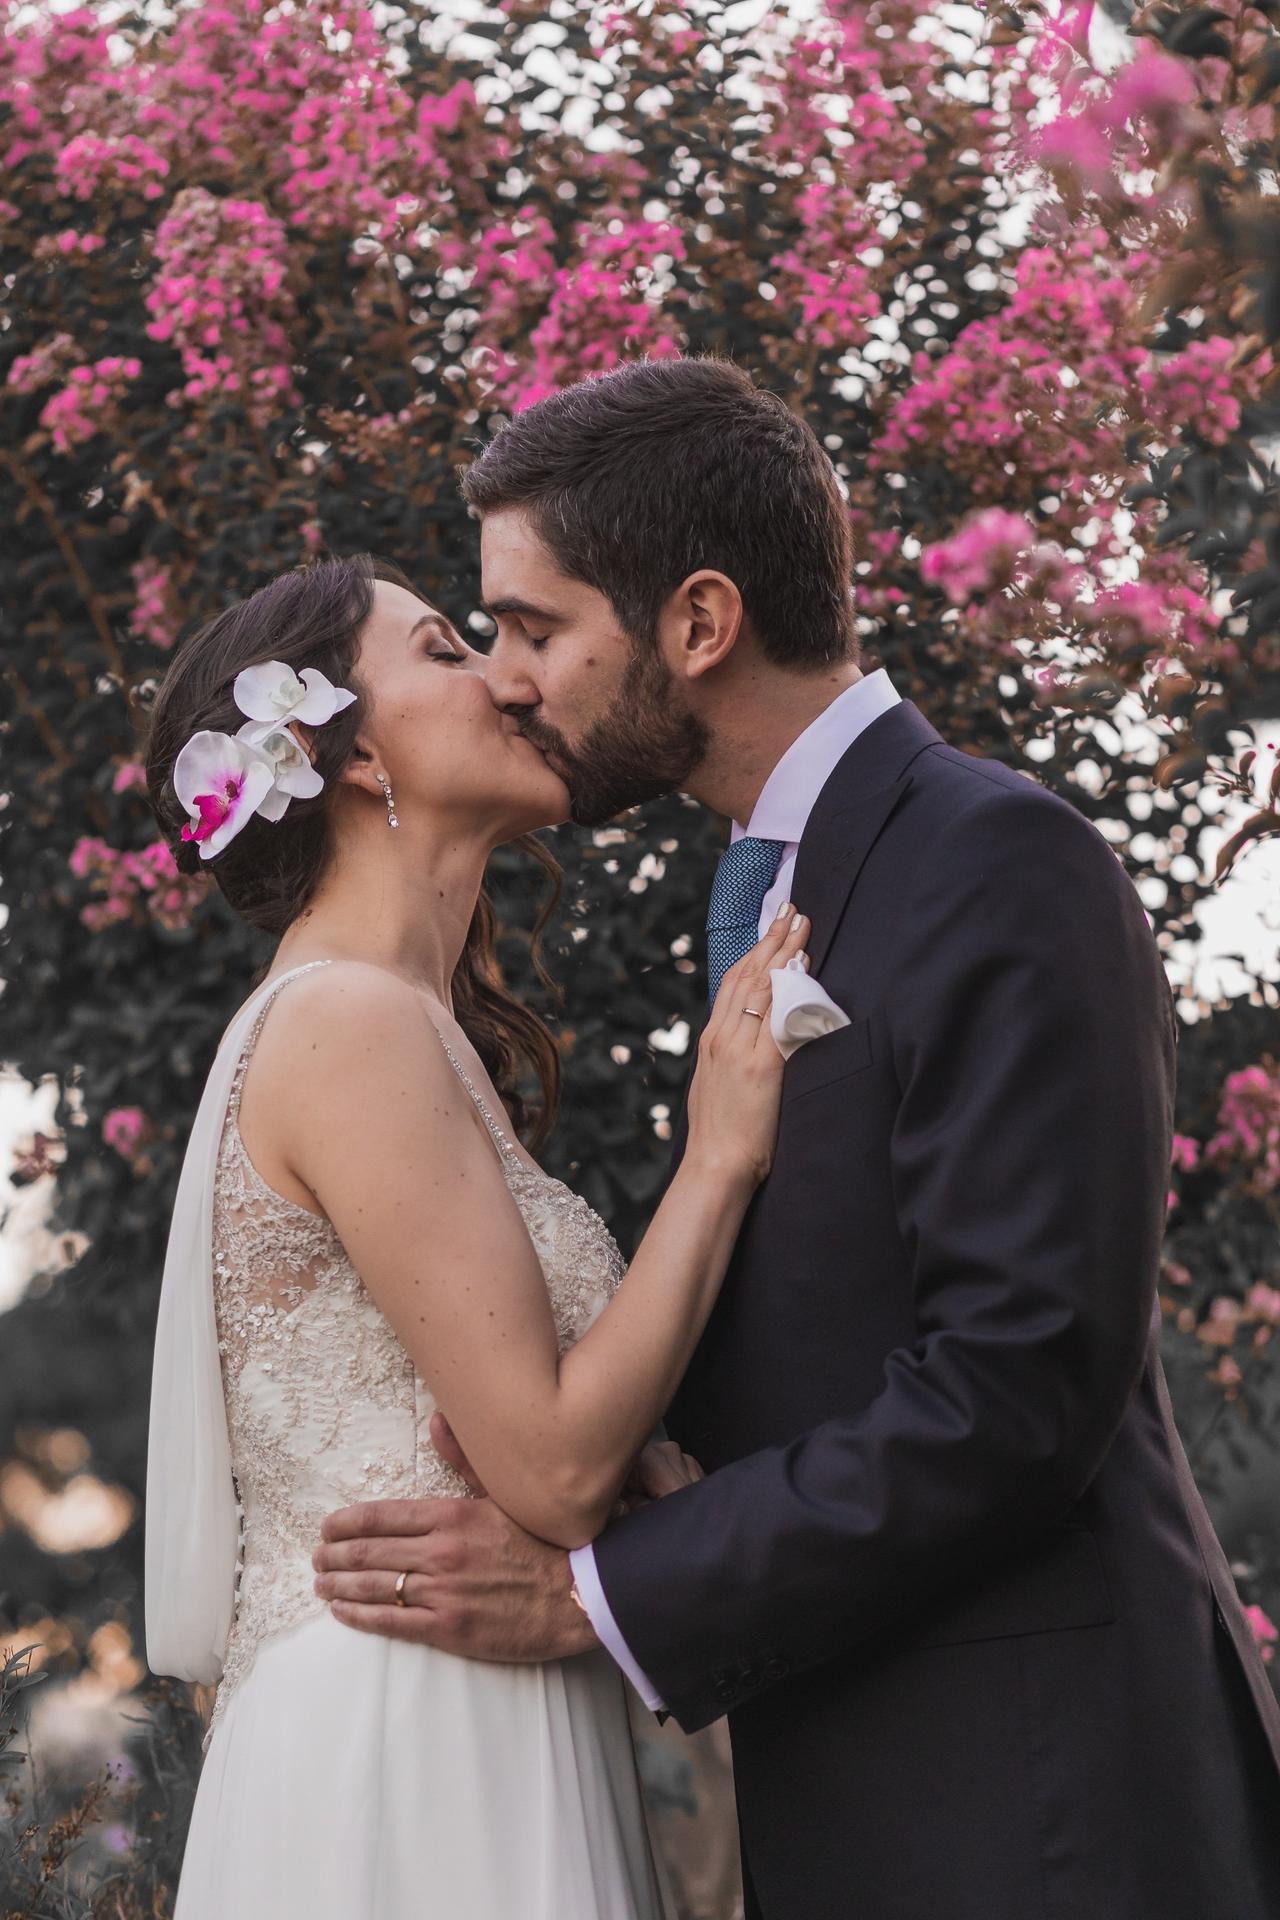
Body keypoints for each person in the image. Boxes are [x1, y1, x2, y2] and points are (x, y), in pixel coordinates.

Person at [313, 357, 1280, 1920]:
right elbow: (835, 1314)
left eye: (536, 627)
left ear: (698, 626)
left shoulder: (993, 858)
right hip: (873, 1793)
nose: (502, 677)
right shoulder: (774, 883)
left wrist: (598, 1595)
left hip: (1047, 1817)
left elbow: (1019, 1385)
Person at [142, 549, 811, 1919]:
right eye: (446, 650)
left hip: (482, 1703)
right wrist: (723, 1155)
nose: (509, 677)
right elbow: (553, 1466)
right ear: (353, 760)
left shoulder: (405, 1023)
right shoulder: (349, 1023)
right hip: (407, 1738)